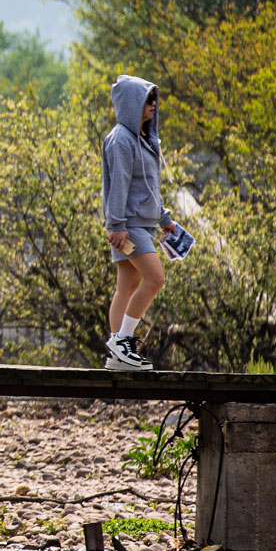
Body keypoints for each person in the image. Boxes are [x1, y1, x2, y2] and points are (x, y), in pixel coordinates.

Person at [102, 75, 177, 371]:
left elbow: (148, 185)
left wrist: (164, 218)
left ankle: (117, 356)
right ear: (133, 103)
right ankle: (122, 341)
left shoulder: (144, 139)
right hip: (128, 227)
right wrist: (116, 225)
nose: (154, 105)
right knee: (155, 279)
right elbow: (118, 185)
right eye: (148, 100)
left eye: (154, 99)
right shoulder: (120, 139)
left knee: (127, 285)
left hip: (140, 224)